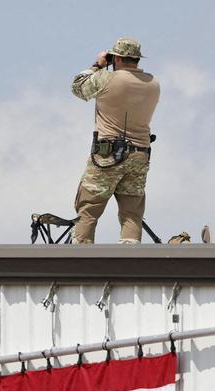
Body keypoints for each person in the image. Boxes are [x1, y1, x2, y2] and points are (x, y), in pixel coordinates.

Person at [70, 38, 161, 244]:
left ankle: (79, 256)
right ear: (137, 59)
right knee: (132, 212)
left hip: (108, 154)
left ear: (116, 58)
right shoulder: (153, 83)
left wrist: (98, 65)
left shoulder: (106, 79)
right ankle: (129, 256)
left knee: (89, 207)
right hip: (140, 155)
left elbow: (77, 87)